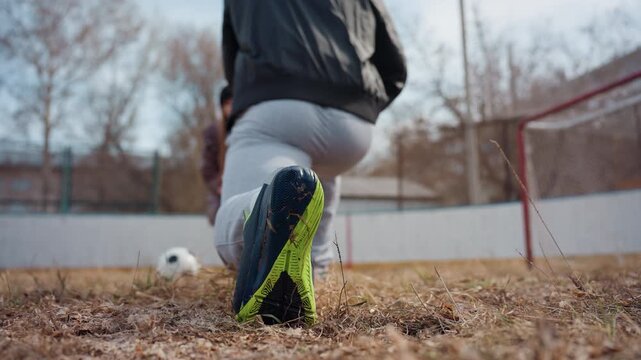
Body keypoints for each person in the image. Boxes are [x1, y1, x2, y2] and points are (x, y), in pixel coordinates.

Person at [215, 0, 406, 325]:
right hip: (352, 125)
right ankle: (316, 274)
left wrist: (251, 93)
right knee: (317, 176)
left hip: (276, 102)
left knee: (248, 208)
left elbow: (232, 51)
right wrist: (362, 103)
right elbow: (394, 60)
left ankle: (262, 213)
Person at [201, 86, 232, 226]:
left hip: (240, 182)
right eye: (228, 104)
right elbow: (207, 167)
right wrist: (218, 185)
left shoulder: (245, 128)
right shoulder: (214, 131)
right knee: (219, 216)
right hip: (221, 187)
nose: (231, 108)